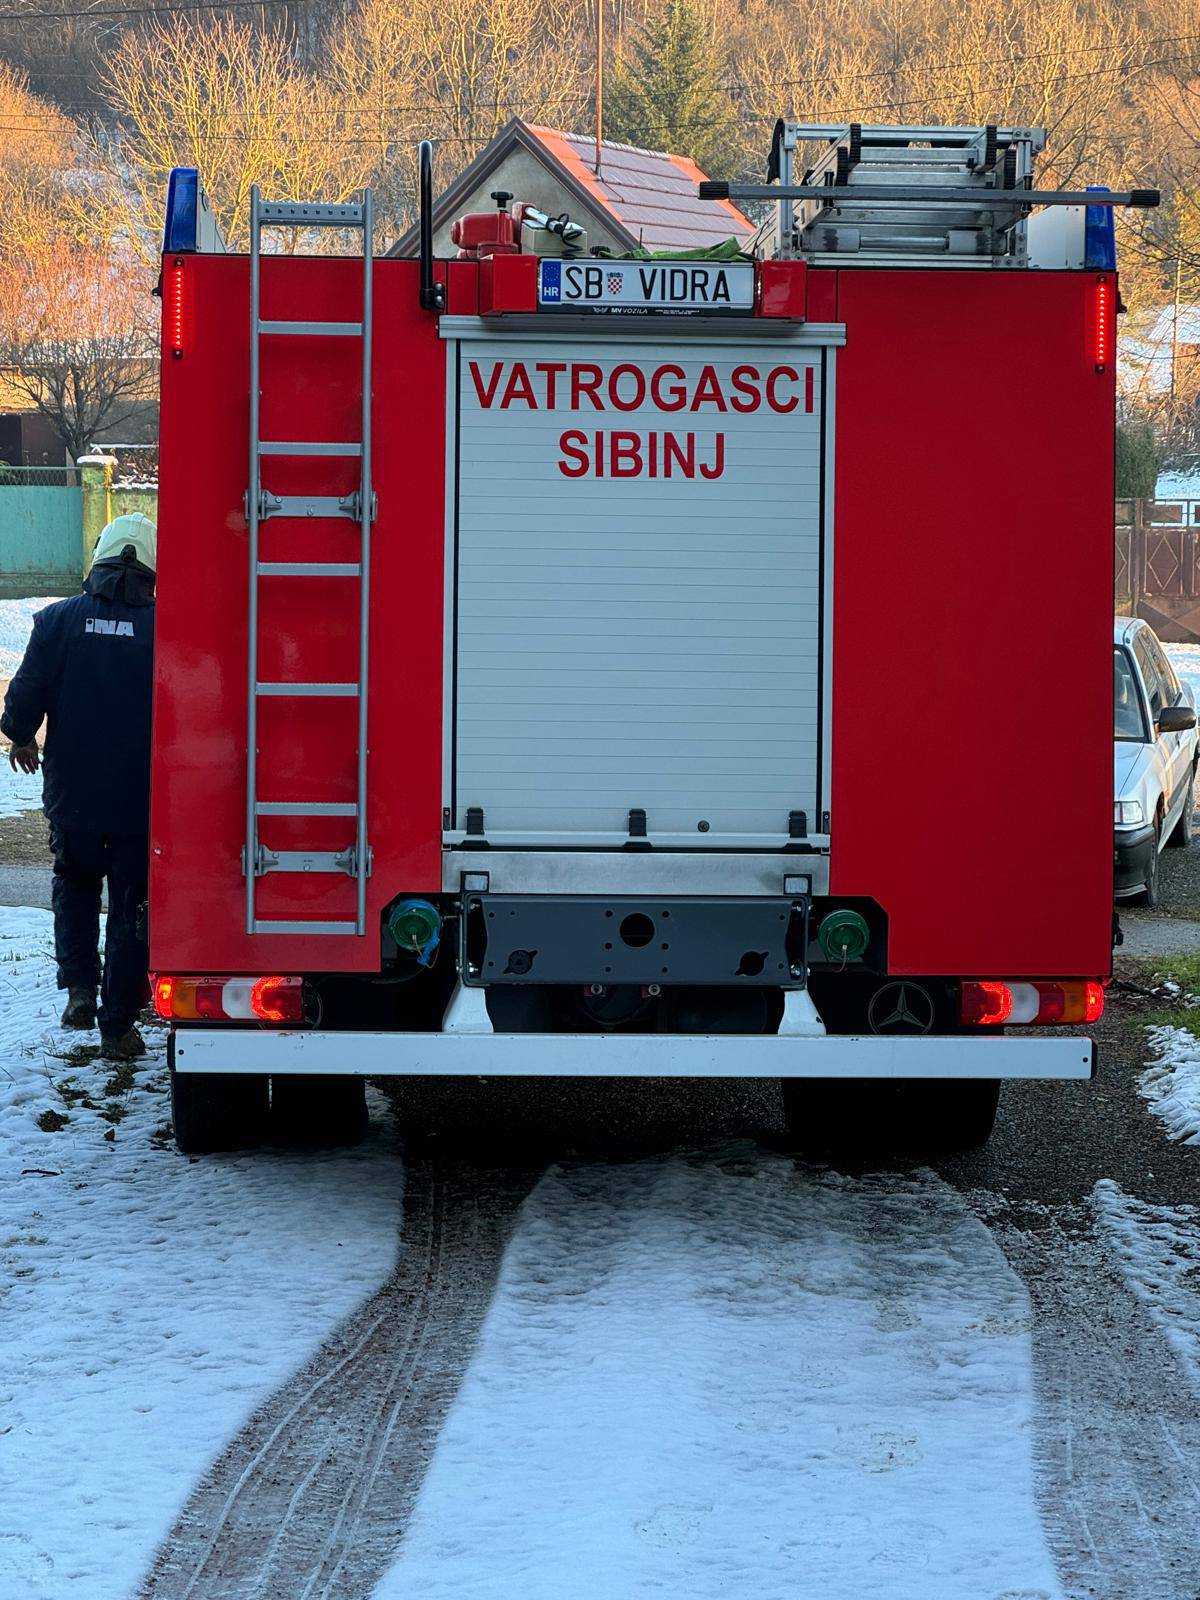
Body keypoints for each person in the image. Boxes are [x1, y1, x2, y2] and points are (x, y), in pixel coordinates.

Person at [2, 513, 157, 1060]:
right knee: (133, 905)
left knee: (75, 883)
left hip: (75, 797)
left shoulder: (56, 621)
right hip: (141, 802)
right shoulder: (168, 627)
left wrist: (22, 738)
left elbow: (23, 701)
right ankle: (117, 1026)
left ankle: (79, 990)